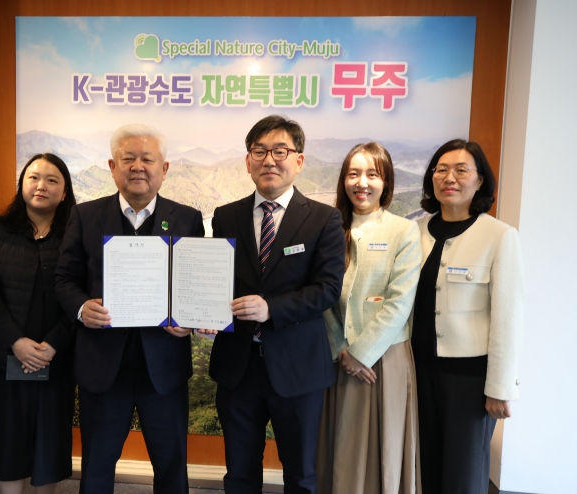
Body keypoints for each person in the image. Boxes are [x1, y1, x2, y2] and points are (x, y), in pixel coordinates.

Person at [54, 124, 205, 493]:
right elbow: (64, 280)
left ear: (164, 169)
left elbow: (195, 284)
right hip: (103, 367)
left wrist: (189, 318)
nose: (138, 167)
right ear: (112, 166)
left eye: (147, 159)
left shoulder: (187, 218)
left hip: (164, 368)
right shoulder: (85, 215)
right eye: (129, 159)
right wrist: (81, 307)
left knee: (171, 467)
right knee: (97, 467)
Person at [205, 115, 345, 493]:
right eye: (259, 151)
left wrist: (271, 308)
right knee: (239, 473)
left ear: (299, 160)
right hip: (238, 367)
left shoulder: (325, 219)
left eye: (280, 151)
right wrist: (203, 311)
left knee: (301, 475)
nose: (269, 160)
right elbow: (218, 281)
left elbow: (327, 289)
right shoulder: (226, 216)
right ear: (247, 161)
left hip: (298, 367)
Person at [412, 139, 524, 494]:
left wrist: (500, 387)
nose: (450, 178)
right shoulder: (415, 231)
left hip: (469, 381)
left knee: (463, 476)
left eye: (461, 170)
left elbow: (508, 318)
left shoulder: (499, 236)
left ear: (480, 180)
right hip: (416, 372)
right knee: (421, 470)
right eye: (441, 170)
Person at [316, 143, 422, 494]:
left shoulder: (403, 231)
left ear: (386, 181)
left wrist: (361, 353)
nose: (362, 183)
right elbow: (320, 296)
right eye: (353, 174)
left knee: (383, 448)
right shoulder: (328, 227)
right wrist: (341, 349)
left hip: (384, 358)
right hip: (336, 358)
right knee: (339, 447)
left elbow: (399, 302)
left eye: (372, 174)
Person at [0, 153, 77, 493]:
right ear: (22, 185)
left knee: (49, 445)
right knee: (7, 443)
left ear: (65, 191)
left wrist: (53, 345)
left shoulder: (75, 234)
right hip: (3, 358)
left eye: (52, 180)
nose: (41, 185)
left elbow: (82, 295)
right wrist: (16, 342)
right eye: (33, 177)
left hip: (56, 359)